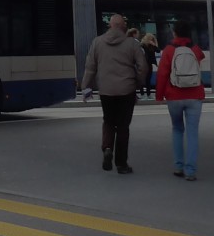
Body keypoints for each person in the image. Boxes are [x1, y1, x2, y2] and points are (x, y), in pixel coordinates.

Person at [81, 13, 147, 174]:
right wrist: (138, 83)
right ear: (123, 27)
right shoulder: (132, 44)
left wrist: (86, 87)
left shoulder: (97, 42)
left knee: (109, 121)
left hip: (106, 91)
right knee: (123, 127)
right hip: (127, 90)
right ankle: (121, 164)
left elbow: (90, 67)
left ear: (110, 26)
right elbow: (143, 66)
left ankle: (107, 148)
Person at [155, 20, 206, 180]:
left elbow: (162, 74)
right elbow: (201, 57)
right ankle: (190, 171)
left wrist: (159, 95)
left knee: (177, 129)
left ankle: (178, 166)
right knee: (192, 133)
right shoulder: (195, 49)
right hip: (195, 95)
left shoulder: (168, 50)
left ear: (174, 33)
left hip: (174, 95)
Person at [140, 32, 159, 97]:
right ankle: (142, 93)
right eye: (151, 39)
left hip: (149, 64)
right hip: (143, 64)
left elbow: (158, 51)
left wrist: (154, 45)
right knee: (142, 79)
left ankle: (148, 94)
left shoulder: (152, 46)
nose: (152, 40)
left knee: (148, 79)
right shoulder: (142, 45)